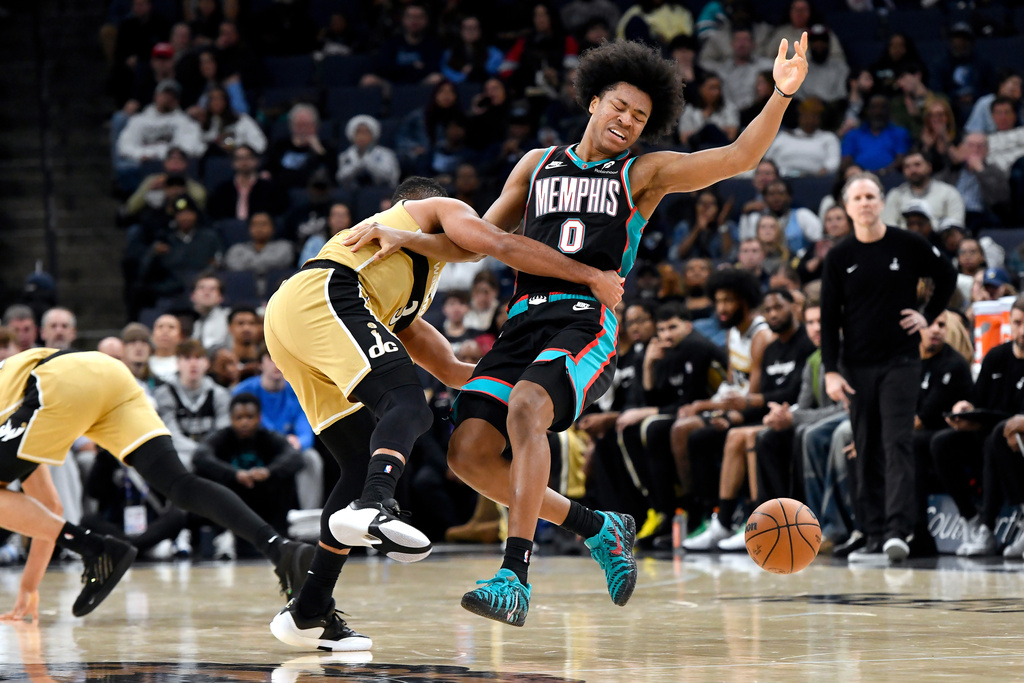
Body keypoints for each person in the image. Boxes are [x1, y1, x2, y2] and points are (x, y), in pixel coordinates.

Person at [364, 35, 806, 627]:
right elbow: (472, 244)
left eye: (642, 117)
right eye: (621, 106)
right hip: (521, 323)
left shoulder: (643, 173)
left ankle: (514, 577)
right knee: (467, 454)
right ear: (594, 101)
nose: (628, 120)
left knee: (526, 410)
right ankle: (599, 527)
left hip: (585, 322)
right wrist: (409, 237)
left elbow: (736, 158)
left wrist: (780, 93)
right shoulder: (537, 163)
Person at [265, 177, 624, 651]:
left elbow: (454, 370)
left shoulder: (407, 292)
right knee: (408, 405)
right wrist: (587, 276)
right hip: (326, 293)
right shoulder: (436, 207)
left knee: (358, 459)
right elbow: (490, 243)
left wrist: (530, 383)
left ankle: (310, 607)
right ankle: (375, 502)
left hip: (291, 321)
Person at [0, 349, 313, 620]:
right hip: (109, 375)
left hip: (57, 380)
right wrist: (28, 588)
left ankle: (96, 548)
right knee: (181, 485)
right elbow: (48, 510)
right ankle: (280, 549)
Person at [821, 172, 957, 562]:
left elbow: (946, 275)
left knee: (896, 442)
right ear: (847, 208)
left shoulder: (907, 243)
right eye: (857, 198)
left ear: (882, 202)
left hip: (900, 360)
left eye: (870, 196)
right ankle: (872, 532)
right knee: (863, 448)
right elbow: (829, 319)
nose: (864, 203)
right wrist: (831, 370)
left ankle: (900, 532)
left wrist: (927, 315)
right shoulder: (839, 256)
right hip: (856, 366)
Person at [685, 287, 815, 550]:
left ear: (795, 308)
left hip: (795, 416)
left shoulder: (806, 343)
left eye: (779, 308)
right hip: (770, 416)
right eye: (768, 310)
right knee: (734, 434)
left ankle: (760, 522)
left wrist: (747, 405)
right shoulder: (772, 349)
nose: (773, 314)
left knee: (750, 436)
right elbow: (765, 395)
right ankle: (723, 523)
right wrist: (736, 417)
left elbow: (793, 392)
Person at [193, 393, 304, 537]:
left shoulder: (268, 436)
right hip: (229, 499)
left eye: (250, 417)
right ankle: (213, 532)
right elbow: (200, 456)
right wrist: (234, 474)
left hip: (264, 499)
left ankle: (280, 532)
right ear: (231, 419)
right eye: (239, 418)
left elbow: (295, 457)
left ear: (259, 417)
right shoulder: (222, 436)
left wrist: (268, 472)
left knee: (286, 475)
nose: (244, 422)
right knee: (201, 472)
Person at [233, 345, 322, 510]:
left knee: (311, 457)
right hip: (256, 446)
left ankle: (307, 518)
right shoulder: (244, 391)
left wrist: (299, 443)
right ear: (261, 364)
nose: (277, 364)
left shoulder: (298, 390)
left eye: (282, 358)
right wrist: (282, 441)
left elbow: (306, 432)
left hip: (289, 450)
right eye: (272, 358)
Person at [153, 339, 231, 467]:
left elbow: (222, 432)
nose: (193, 363)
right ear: (177, 363)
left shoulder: (220, 394)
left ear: (206, 363)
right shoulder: (164, 394)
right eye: (187, 358)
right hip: (179, 457)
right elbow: (171, 435)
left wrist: (207, 455)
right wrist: (200, 453)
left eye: (198, 357)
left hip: (213, 456)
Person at [879, 151, 966, 230]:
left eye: (917, 165)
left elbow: (956, 226)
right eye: (907, 166)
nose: (912, 170)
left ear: (929, 167)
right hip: (903, 243)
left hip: (939, 242)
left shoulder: (949, 192)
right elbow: (888, 226)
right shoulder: (895, 195)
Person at [191, 273, 231, 351]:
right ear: (193, 296)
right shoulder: (187, 322)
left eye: (212, 289)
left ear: (220, 297)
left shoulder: (229, 317)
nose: (206, 293)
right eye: (201, 288)